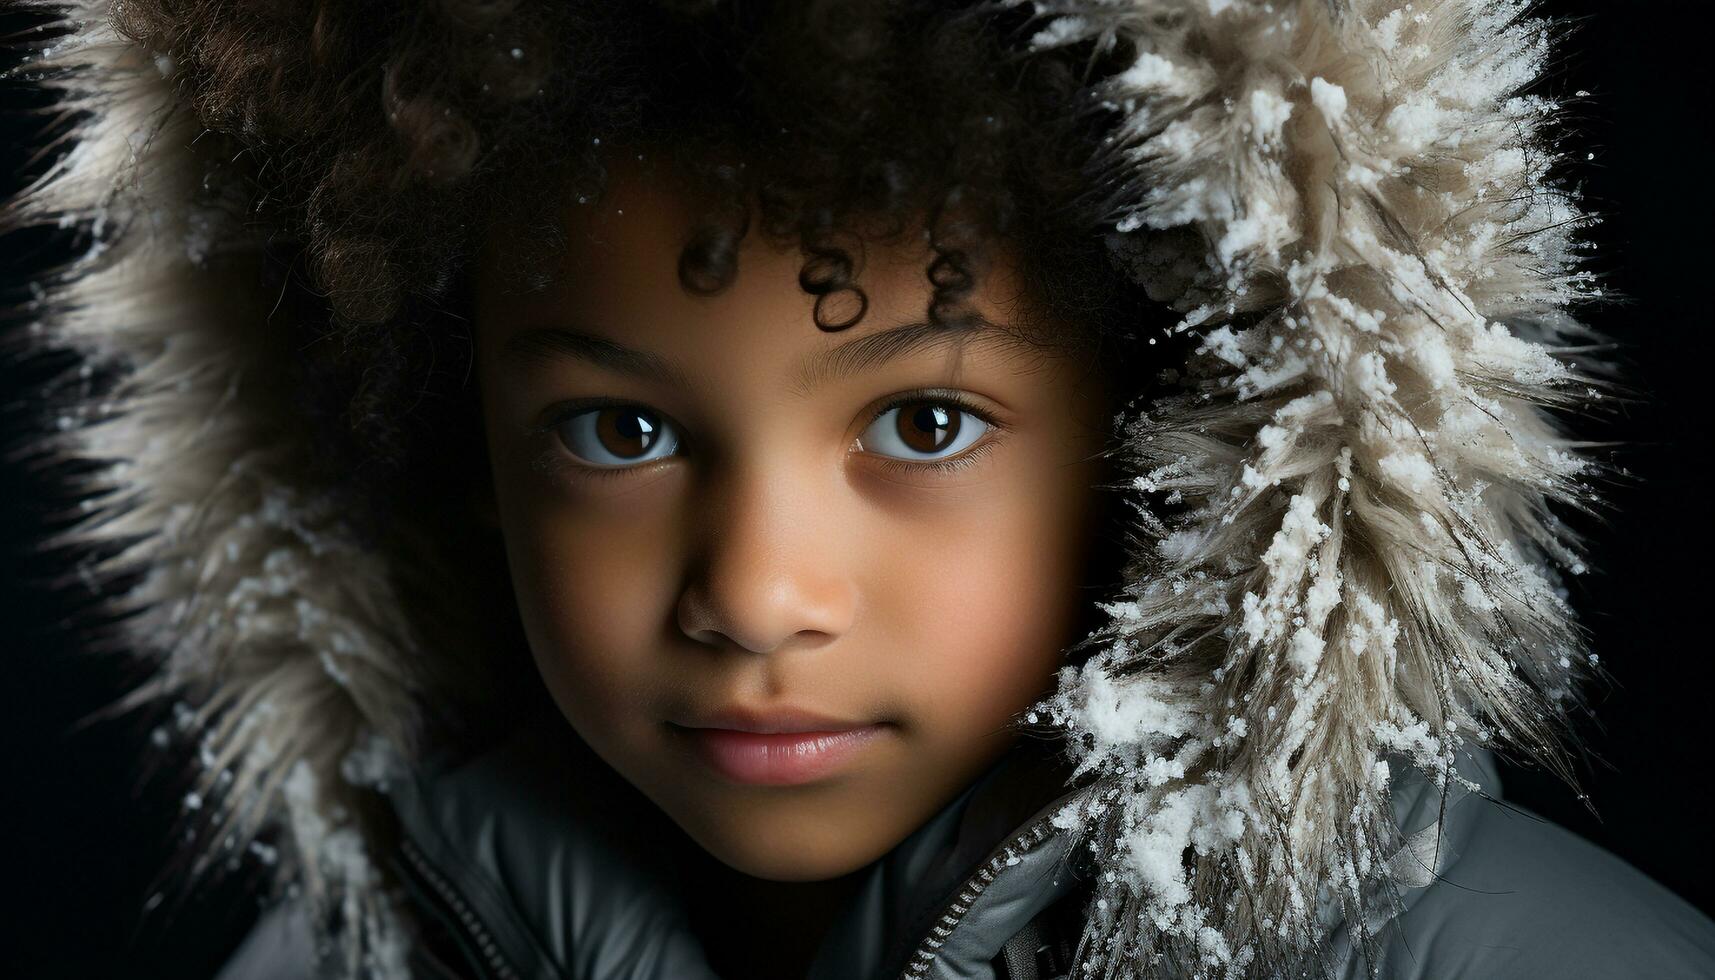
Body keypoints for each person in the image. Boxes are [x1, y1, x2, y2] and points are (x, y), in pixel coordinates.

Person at [5, 1, 1713, 978]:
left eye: (922, 428)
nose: (753, 594)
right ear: (450, 448)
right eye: (619, 434)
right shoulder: (364, 956)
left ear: (1176, 430)